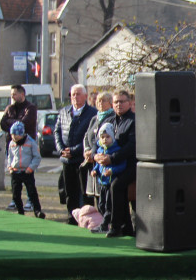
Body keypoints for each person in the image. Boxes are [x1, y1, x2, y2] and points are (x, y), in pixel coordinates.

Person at [55, 84, 97, 225]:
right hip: (66, 160)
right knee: (69, 191)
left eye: (78, 94)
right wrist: (62, 149)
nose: (75, 97)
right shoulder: (64, 112)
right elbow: (57, 132)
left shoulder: (92, 113)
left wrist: (74, 150)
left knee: (84, 192)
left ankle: (86, 219)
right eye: (73, 94)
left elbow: (90, 137)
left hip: (81, 159)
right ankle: (71, 217)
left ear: (85, 96)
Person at [97, 90, 136, 237]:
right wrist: (96, 156)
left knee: (116, 186)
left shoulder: (133, 121)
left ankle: (115, 226)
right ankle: (126, 228)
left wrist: (112, 159)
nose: (119, 104)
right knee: (109, 186)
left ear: (130, 103)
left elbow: (131, 146)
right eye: (116, 102)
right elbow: (98, 140)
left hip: (131, 164)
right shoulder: (109, 120)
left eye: (122, 101)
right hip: (111, 165)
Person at [83, 92, 115, 212]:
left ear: (110, 103)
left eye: (103, 101)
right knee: (96, 196)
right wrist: (87, 151)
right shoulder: (94, 118)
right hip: (92, 160)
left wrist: (94, 153)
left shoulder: (112, 118)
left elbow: (104, 139)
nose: (100, 103)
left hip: (103, 159)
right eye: (98, 101)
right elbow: (87, 136)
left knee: (105, 197)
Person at [6, 121, 45, 218]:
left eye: (16, 134)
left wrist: (30, 168)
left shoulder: (31, 143)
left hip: (27, 172)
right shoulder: (11, 143)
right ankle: (20, 211)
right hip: (15, 171)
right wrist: (10, 167)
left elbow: (37, 157)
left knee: (32, 192)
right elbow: (10, 156)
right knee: (15, 194)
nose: (14, 137)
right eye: (12, 134)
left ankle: (37, 211)